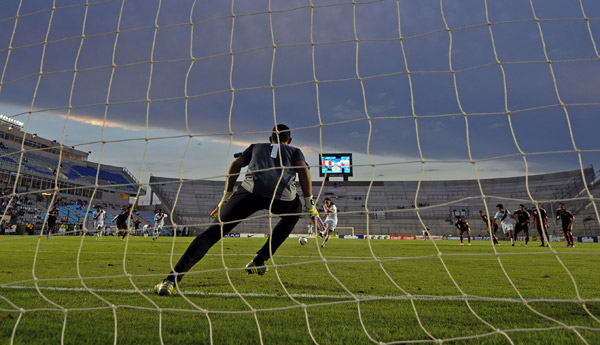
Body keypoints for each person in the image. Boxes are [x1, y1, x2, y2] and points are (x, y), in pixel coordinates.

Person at [154, 124, 315, 296]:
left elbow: (236, 164)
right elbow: (303, 169)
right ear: (289, 140)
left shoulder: (255, 147)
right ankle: (260, 260)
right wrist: (310, 204)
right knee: (294, 213)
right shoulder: (295, 150)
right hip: (282, 198)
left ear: (270, 139)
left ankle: (170, 281)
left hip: (249, 193)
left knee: (212, 234)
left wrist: (226, 196)